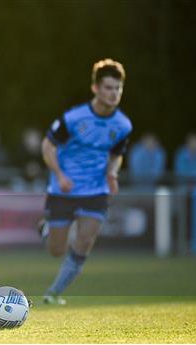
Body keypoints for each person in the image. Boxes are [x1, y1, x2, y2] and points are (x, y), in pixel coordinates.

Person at [39, 59, 132, 305]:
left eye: (118, 88)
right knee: (56, 250)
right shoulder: (73, 118)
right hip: (64, 188)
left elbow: (116, 154)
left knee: (85, 241)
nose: (114, 93)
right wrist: (59, 174)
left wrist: (112, 173)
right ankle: (46, 229)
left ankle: (53, 293)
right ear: (96, 89)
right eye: (109, 88)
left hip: (96, 189)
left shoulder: (122, 125)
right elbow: (48, 146)